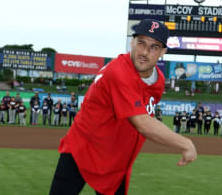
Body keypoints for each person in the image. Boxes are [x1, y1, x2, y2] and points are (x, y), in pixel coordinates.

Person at [49, 19, 196, 195]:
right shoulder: (119, 72)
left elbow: (143, 118)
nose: (145, 52)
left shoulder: (159, 80)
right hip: (82, 151)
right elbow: (141, 122)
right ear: (132, 42)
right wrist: (185, 143)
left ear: (163, 51)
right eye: (141, 43)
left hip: (115, 160)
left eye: (154, 47)